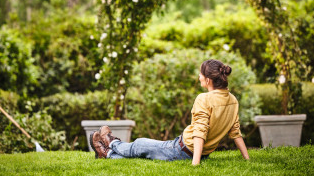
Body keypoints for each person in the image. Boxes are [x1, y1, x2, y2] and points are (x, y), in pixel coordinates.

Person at [90, 59, 250, 165]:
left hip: (181, 150)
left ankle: (111, 144)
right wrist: (247, 158)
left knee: (139, 145)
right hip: (194, 150)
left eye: (200, 74)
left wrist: (195, 164)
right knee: (141, 154)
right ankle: (108, 152)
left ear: (208, 80)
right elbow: (235, 132)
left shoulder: (204, 99)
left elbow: (200, 132)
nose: (199, 77)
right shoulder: (232, 100)